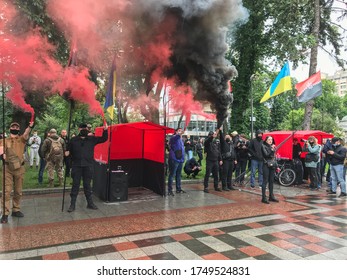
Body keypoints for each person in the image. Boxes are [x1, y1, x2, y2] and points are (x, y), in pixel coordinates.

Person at [66, 123, 108, 212]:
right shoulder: (73, 140)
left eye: (85, 128)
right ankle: (72, 204)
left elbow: (104, 139)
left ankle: (90, 203)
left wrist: (105, 130)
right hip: (77, 166)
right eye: (82, 128)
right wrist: (67, 154)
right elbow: (68, 151)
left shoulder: (92, 139)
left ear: (87, 130)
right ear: (79, 129)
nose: (84, 130)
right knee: (75, 185)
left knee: (87, 185)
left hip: (88, 166)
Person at [0, 121, 34, 224]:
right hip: (7, 169)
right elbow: (1, 151)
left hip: (19, 168)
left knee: (18, 191)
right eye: (13, 126)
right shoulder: (4, 141)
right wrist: (2, 156)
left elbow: (26, 133)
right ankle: (5, 213)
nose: (14, 128)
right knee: (6, 191)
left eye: (16, 127)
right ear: (10, 128)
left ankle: (16, 209)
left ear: (19, 129)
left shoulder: (22, 139)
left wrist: (30, 126)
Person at [167, 128, 185, 196]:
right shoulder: (173, 138)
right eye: (179, 131)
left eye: (181, 130)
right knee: (172, 175)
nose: (180, 132)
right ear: (176, 132)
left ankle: (178, 189)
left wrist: (183, 159)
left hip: (180, 160)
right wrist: (179, 134)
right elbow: (177, 137)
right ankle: (170, 190)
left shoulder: (181, 140)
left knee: (178, 175)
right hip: (174, 159)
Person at [261, 135, 278, 204]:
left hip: (272, 165)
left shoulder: (272, 147)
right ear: (266, 140)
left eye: (271, 139)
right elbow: (266, 155)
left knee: (271, 181)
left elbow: (272, 156)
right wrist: (271, 150)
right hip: (266, 165)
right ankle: (263, 197)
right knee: (265, 181)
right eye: (269, 139)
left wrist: (273, 150)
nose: (270, 141)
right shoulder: (263, 146)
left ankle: (271, 196)